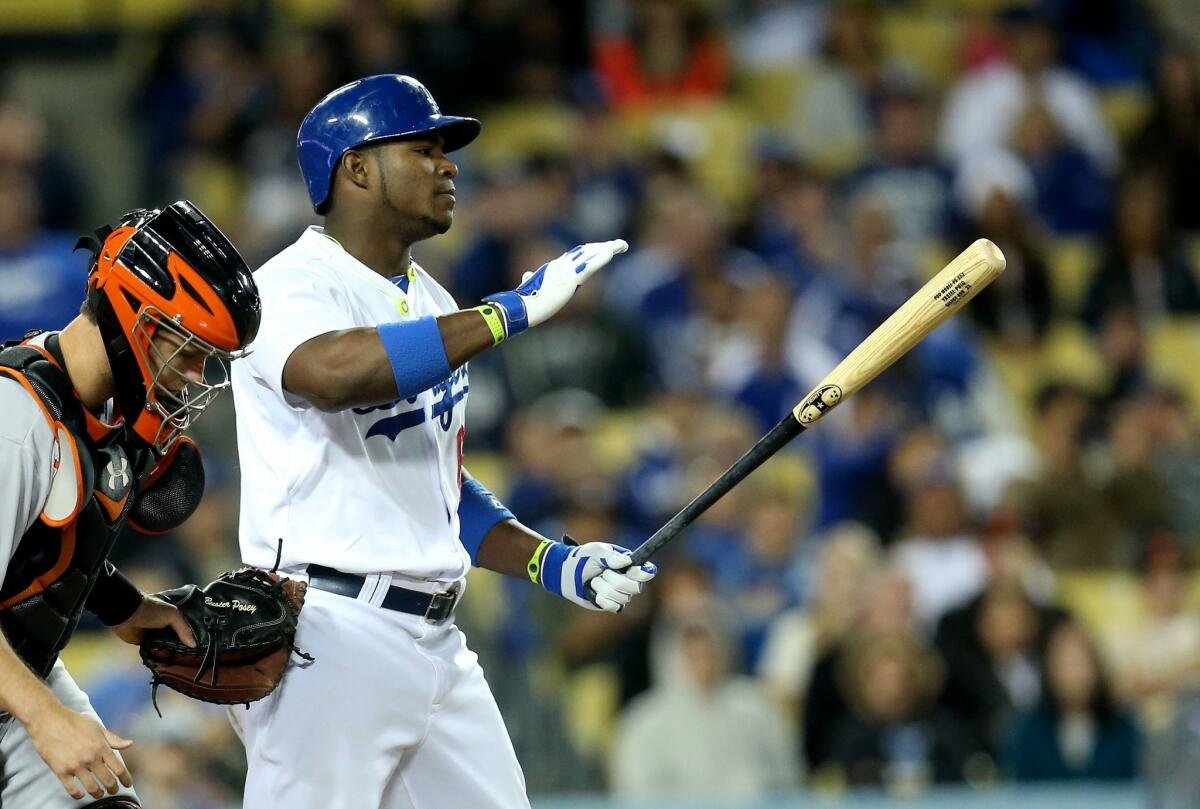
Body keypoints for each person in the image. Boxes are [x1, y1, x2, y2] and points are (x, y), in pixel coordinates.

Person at [227, 74, 658, 809]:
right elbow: (327, 372)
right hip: (328, 632)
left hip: (435, 639)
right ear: (356, 168)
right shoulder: (288, 283)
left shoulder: (429, 301)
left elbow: (441, 486)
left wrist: (553, 562)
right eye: (423, 148)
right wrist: (506, 314)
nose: (448, 164)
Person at [0, 200, 261, 808]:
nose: (196, 376)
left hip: (19, 674)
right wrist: (47, 719)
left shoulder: (102, 408)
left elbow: (39, 551)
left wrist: (130, 608)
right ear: (132, 318)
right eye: (189, 349)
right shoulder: (15, 421)